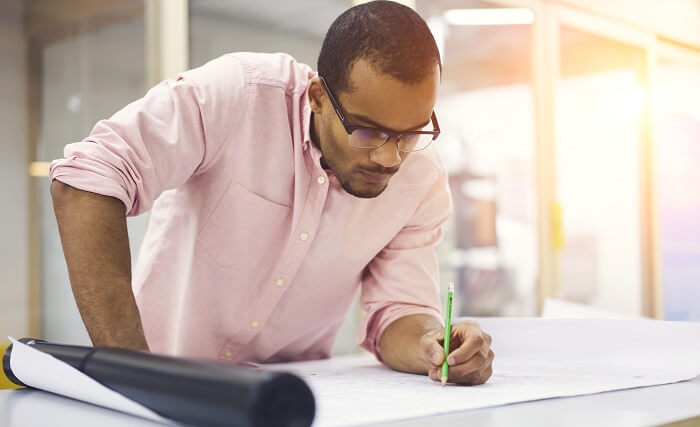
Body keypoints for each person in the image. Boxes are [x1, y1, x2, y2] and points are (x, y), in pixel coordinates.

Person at [49, 0, 493, 386]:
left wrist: (431, 345)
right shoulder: (237, 97)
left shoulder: (421, 179)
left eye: (410, 133)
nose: (390, 158)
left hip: (288, 401)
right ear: (318, 96)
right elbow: (86, 179)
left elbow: (397, 313)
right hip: (167, 387)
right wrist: (132, 373)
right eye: (367, 131)